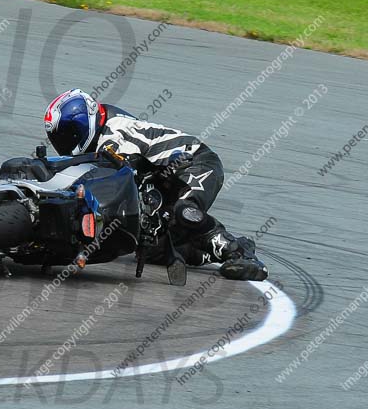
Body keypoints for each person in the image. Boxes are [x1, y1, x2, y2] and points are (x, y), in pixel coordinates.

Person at [43, 88, 268, 281]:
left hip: (195, 162)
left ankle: (241, 253)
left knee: (184, 211)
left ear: (87, 119)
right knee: (154, 250)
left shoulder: (114, 132)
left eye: (71, 132)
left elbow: (123, 174)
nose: (67, 141)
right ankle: (215, 250)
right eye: (60, 137)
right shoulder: (101, 137)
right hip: (163, 178)